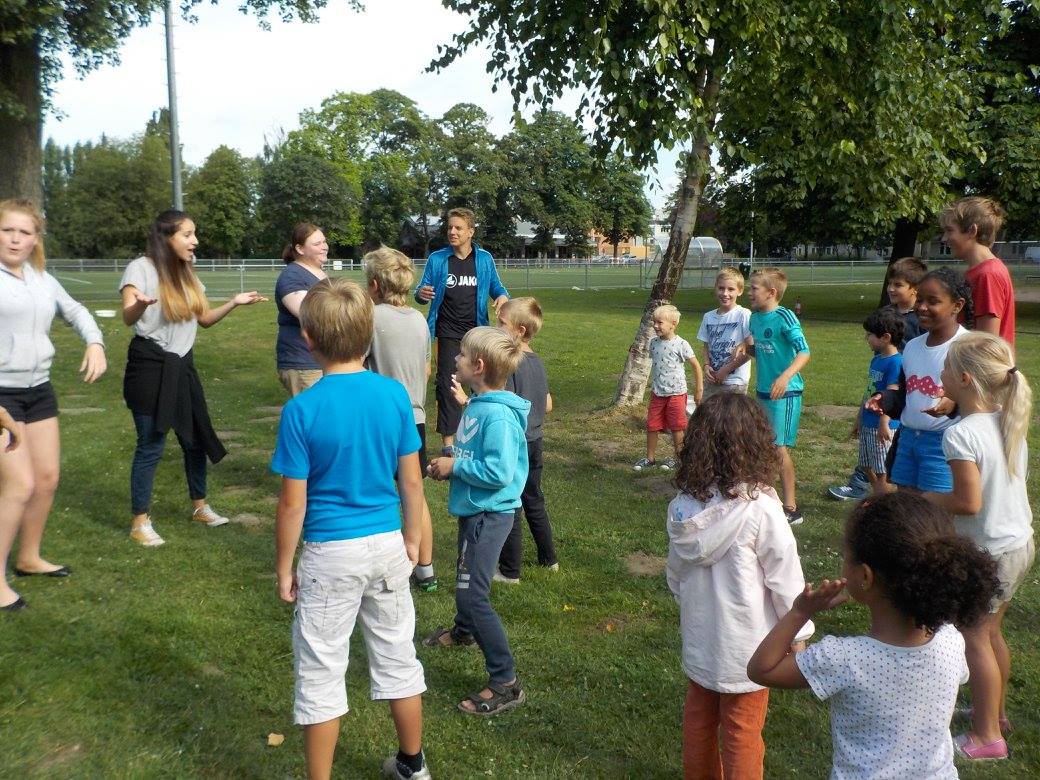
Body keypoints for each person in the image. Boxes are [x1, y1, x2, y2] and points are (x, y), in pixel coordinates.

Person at [271, 278, 430, 780]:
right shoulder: (393, 397)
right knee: (397, 656)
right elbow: (412, 481)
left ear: (309, 340)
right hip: (387, 548)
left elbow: (292, 505)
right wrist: (411, 539)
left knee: (321, 671)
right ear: (368, 335)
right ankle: (414, 764)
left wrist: (282, 567)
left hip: (329, 555)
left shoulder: (302, 409)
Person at [748, 493, 1000, 780]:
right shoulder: (952, 641)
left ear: (865, 577)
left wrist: (798, 613)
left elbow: (761, 669)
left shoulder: (843, 659)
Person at [667, 393, 814, 779]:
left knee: (698, 723)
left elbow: (675, 575)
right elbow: (785, 575)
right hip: (751, 649)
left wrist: (691, 604)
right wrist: (799, 632)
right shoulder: (763, 508)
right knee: (743, 731)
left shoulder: (684, 505)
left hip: (701, 638)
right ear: (754, 444)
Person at [120, 209, 266, 547]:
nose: (195, 240)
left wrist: (234, 302)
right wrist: (141, 305)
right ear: (166, 236)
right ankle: (140, 522)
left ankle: (199, 506)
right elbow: (129, 316)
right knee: (150, 444)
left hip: (182, 366)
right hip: (149, 366)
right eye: (187, 234)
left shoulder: (188, 273)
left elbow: (204, 319)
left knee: (195, 439)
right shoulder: (139, 269)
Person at [920, 332, 1033, 760]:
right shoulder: (1007, 417)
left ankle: (987, 737)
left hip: (990, 551)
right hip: (1018, 542)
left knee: (974, 636)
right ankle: (995, 712)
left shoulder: (961, 435)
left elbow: (968, 503)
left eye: (946, 368)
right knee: (990, 630)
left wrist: (923, 498)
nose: (941, 375)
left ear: (964, 379)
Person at [0, 199, 106, 610]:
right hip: (1, 395)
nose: (15, 238)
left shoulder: (40, 277)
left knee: (45, 479)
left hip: (38, 390)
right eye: (8, 229)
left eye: (24, 232)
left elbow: (76, 310)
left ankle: (28, 557)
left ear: (35, 239)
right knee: (19, 484)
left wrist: (95, 341)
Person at [423, 327, 529, 717]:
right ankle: (464, 632)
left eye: (462, 356)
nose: (455, 359)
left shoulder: (498, 416)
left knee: (473, 592)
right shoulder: (482, 403)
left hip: (490, 513)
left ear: (478, 366)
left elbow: (500, 472)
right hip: (474, 510)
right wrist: (451, 460)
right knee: (464, 575)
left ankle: (505, 681)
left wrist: (456, 467)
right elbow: (475, 450)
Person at [364, 247, 438, 593]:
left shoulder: (371, 319)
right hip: (416, 418)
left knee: (379, 492)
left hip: (380, 420)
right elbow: (426, 365)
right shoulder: (419, 320)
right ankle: (426, 569)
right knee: (414, 493)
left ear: (375, 285)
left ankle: (384, 564)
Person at [829, 257, 925, 501]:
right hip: (879, 392)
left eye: (899, 285)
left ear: (915, 288)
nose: (892, 289)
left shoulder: (921, 319)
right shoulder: (887, 314)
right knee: (872, 457)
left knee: (889, 457)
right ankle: (870, 489)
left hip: (904, 395)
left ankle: (887, 496)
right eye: (890, 284)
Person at [870, 268, 971, 494]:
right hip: (907, 439)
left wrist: (954, 404)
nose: (922, 307)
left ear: (957, 305)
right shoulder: (914, 346)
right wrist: (885, 399)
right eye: (920, 299)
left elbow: (984, 400)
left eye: (933, 301)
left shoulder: (967, 347)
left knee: (936, 512)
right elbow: (906, 393)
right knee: (909, 509)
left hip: (943, 444)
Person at [414, 207, 509, 448]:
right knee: (448, 384)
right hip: (447, 332)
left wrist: (503, 297)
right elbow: (421, 291)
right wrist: (421, 294)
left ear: (470, 232)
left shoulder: (484, 259)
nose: (452, 232)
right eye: (450, 227)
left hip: (476, 333)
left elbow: (497, 287)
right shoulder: (438, 259)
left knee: (481, 382)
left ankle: (480, 435)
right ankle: (449, 444)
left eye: (458, 228)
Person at [724, 268, 810, 525]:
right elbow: (760, 350)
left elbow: (804, 352)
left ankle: (791, 508)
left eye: (753, 289)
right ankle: (764, 497)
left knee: (778, 447)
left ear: (771, 293)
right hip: (763, 390)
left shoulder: (785, 317)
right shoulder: (755, 319)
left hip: (786, 393)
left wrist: (784, 378)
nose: (749, 293)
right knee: (763, 445)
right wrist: (745, 347)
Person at [492, 297, 559, 583]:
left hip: (516, 443)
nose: (496, 327)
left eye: (501, 324)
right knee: (533, 499)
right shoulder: (537, 361)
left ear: (519, 331)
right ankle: (549, 559)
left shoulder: (513, 363)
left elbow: (506, 403)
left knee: (511, 503)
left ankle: (510, 571)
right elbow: (547, 405)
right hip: (536, 441)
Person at [632, 304, 703, 472]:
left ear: (673, 324)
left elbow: (695, 365)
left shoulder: (681, 344)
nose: (656, 326)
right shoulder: (653, 344)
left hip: (676, 394)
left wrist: (699, 388)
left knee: (676, 426)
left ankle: (679, 459)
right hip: (658, 393)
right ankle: (650, 458)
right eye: (654, 322)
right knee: (652, 425)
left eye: (660, 323)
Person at [940, 197, 1016, 347]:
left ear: (972, 231)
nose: (944, 238)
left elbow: (986, 342)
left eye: (949, 230)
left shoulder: (988, 275)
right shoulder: (978, 272)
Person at [849, 308, 904, 496]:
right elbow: (869, 392)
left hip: (883, 426)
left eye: (870, 334)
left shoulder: (896, 363)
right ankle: (879, 496)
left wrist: (884, 422)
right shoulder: (877, 360)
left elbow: (892, 395)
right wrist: (859, 419)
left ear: (885, 337)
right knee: (866, 465)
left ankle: (885, 502)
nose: (867, 338)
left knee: (883, 471)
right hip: (868, 422)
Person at [275, 223, 329, 396]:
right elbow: (310, 314)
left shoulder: (320, 273)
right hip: (304, 362)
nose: (324, 247)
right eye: (317, 244)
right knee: (312, 418)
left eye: (324, 242)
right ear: (300, 248)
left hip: (324, 359)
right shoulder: (292, 276)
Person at [698, 267, 752, 399]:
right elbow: (706, 346)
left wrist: (726, 370)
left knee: (731, 419)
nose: (725, 293)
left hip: (735, 382)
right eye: (721, 288)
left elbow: (751, 349)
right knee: (708, 418)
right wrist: (706, 366)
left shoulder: (743, 314)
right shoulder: (708, 317)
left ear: (740, 291)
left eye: (731, 289)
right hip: (712, 380)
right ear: (716, 288)